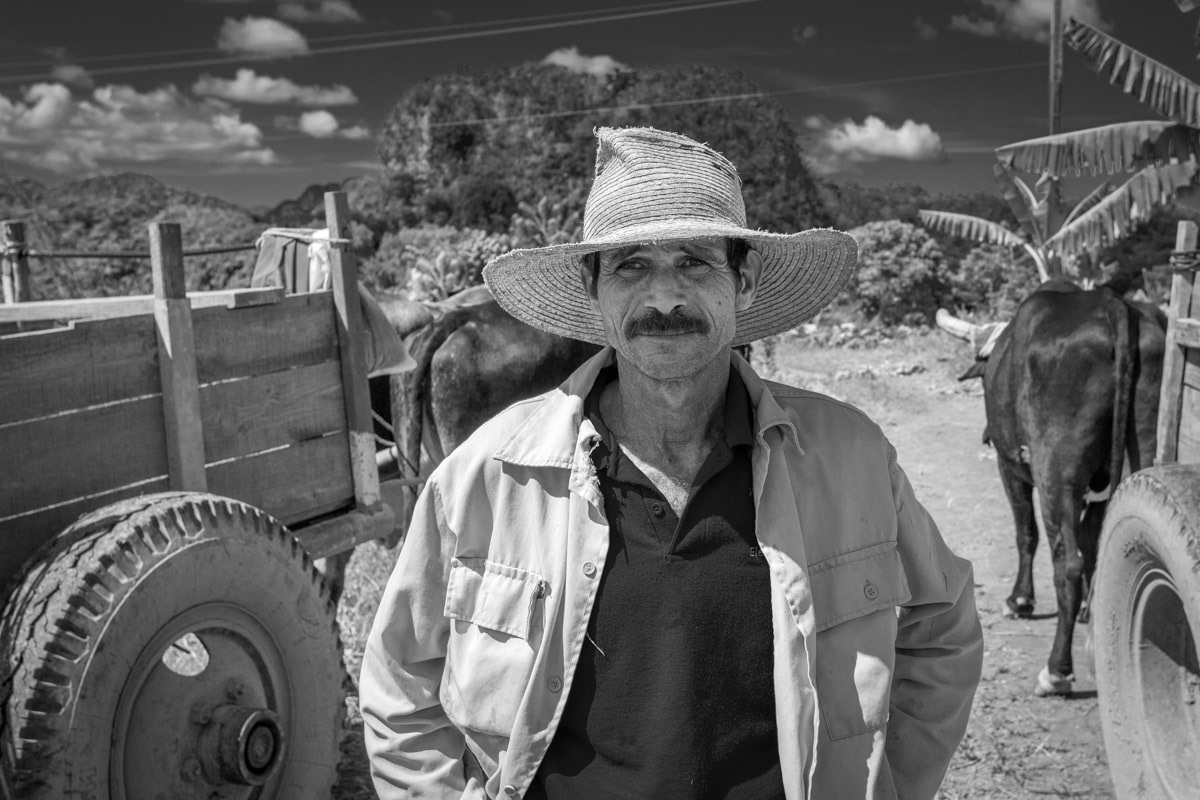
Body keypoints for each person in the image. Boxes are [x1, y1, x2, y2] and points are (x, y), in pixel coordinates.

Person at [360, 126, 983, 800]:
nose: (664, 297)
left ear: (741, 283)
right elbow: (400, 687)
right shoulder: (486, 477)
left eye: (694, 262)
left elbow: (942, 627)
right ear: (592, 288)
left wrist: (888, 786)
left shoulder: (850, 457)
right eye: (630, 264)